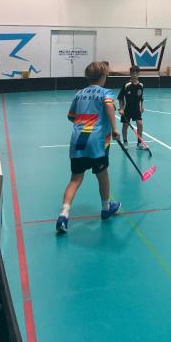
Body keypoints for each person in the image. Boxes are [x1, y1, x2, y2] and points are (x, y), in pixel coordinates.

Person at [56, 62, 121, 235]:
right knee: (102, 175)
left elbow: (71, 116)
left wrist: (84, 123)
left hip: (78, 140)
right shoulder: (106, 92)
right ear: (103, 77)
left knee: (75, 179)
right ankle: (106, 208)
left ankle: (63, 215)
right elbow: (109, 105)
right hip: (96, 142)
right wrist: (114, 128)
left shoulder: (79, 94)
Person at [118, 67, 148, 151]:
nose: (135, 75)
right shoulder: (126, 85)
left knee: (140, 124)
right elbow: (120, 98)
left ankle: (139, 143)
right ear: (130, 74)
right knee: (125, 125)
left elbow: (141, 97)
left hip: (136, 109)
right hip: (127, 109)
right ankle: (125, 142)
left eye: (136, 73)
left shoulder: (141, 85)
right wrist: (121, 109)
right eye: (133, 73)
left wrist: (142, 106)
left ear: (139, 74)